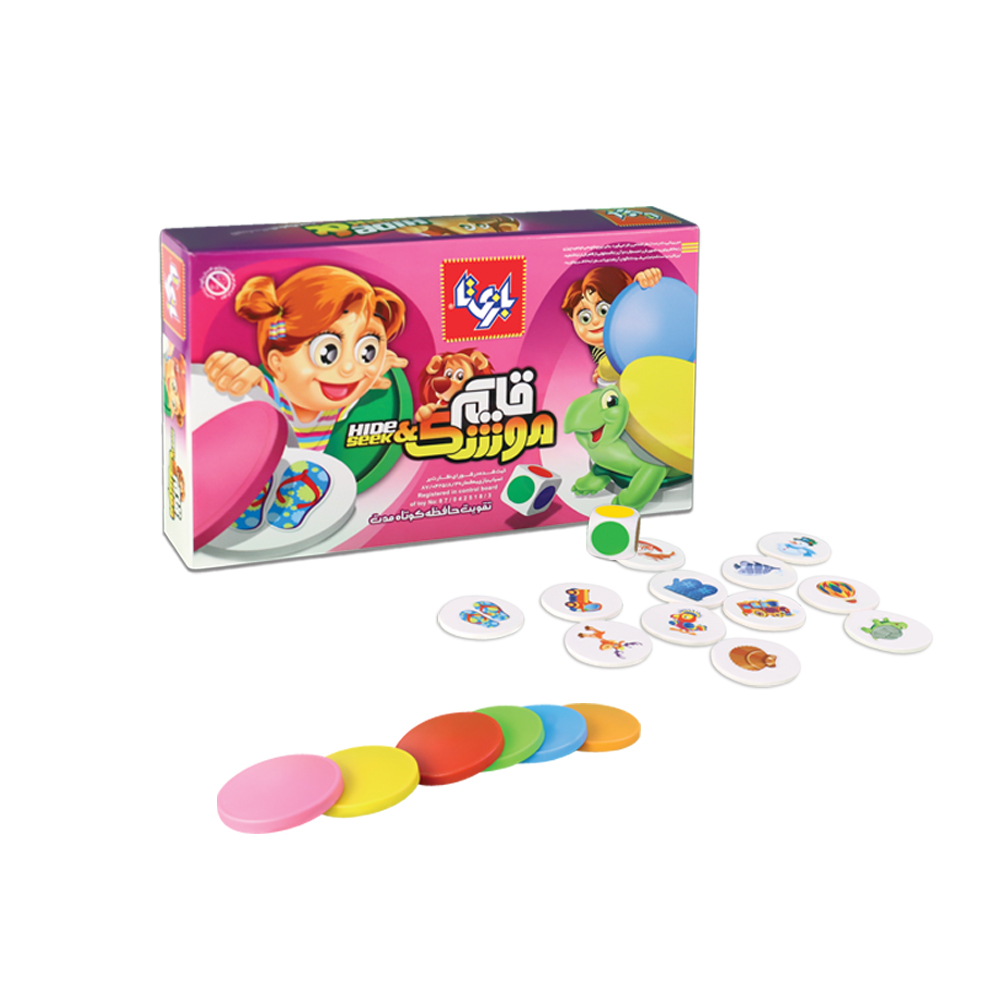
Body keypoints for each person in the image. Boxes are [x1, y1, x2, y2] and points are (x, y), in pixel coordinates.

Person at [205, 265, 407, 451]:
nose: (348, 368)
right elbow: (251, 385)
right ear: (277, 364)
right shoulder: (270, 400)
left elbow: (352, 392)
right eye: (327, 352)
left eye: (367, 351)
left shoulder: (331, 408)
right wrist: (233, 373)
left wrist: (372, 372)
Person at [561, 266, 662, 382]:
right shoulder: (599, 347)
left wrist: (639, 288)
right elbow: (610, 366)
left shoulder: (635, 324)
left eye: (603, 310)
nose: (595, 321)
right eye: (585, 317)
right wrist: (604, 370)